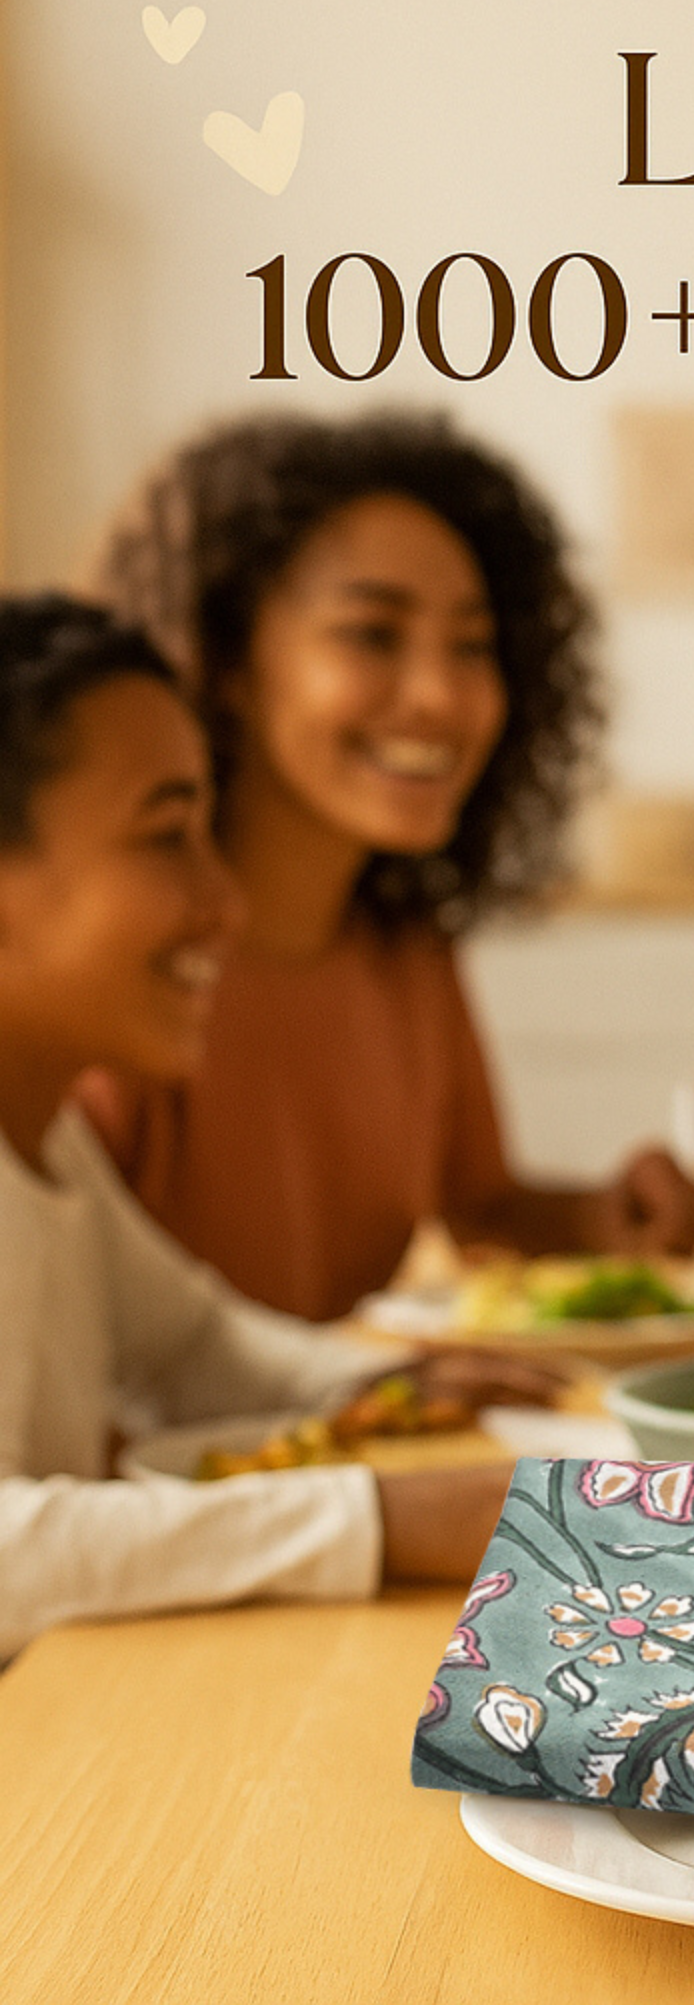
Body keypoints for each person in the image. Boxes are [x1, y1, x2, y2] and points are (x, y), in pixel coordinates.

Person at [77, 412, 694, 1320]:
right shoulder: (121, 962)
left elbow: (479, 1209)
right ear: (224, 663)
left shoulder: (405, 952)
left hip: (324, 1447)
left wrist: (605, 1215)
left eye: (473, 646)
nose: (442, 696)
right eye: (372, 634)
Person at [0, 595, 530, 1660]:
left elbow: (188, 1340)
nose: (222, 901)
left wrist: (378, 1383)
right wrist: (378, 1519)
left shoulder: (42, 1131)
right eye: (166, 837)